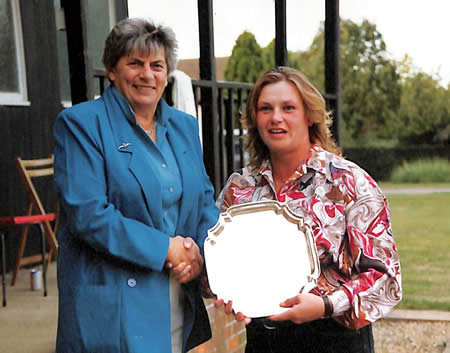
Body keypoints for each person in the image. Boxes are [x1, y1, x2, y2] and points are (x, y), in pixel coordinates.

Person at [53, 18, 219, 353]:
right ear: (112, 70)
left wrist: (200, 255)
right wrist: (166, 250)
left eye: (157, 65)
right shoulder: (81, 124)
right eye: (135, 64)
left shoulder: (185, 126)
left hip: (176, 295)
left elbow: (203, 201)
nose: (147, 75)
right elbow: (90, 215)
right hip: (114, 308)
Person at [214, 67, 401, 353]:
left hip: (334, 340)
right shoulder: (240, 188)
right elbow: (221, 263)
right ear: (255, 119)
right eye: (265, 108)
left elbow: (387, 279)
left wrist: (326, 305)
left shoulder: (348, 182)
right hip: (263, 342)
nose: (276, 117)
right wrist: (229, 294)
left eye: (288, 107)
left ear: (309, 115)